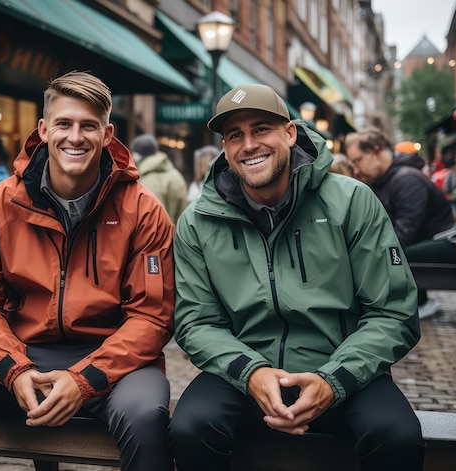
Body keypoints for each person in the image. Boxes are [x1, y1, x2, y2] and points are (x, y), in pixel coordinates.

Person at [0, 71, 175, 471]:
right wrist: (15, 370)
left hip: (115, 358)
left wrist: (84, 379)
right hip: (24, 348)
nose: (75, 136)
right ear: (44, 129)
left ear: (108, 134)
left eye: (89, 126)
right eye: (64, 124)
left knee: (145, 416)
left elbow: (152, 315)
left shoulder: (143, 209)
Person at [168, 84, 424, 471]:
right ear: (225, 147)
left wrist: (332, 381)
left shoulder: (352, 201)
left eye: (261, 129)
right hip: (243, 373)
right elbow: (195, 321)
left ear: (289, 133)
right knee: (189, 429)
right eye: (234, 135)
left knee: (397, 436)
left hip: (343, 369)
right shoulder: (197, 222)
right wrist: (251, 373)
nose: (249, 144)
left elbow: (394, 312)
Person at [345, 128, 453, 319]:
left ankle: (415, 303)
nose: (356, 169)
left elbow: (406, 231)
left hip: (429, 243)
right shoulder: (383, 180)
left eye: (358, 160)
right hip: (415, 243)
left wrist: (366, 250)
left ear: (376, 151)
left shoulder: (406, 179)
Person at [130, 133, 188, 223]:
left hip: (160, 236)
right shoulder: (175, 174)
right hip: (178, 234)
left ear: (137, 155)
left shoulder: (147, 180)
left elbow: (152, 220)